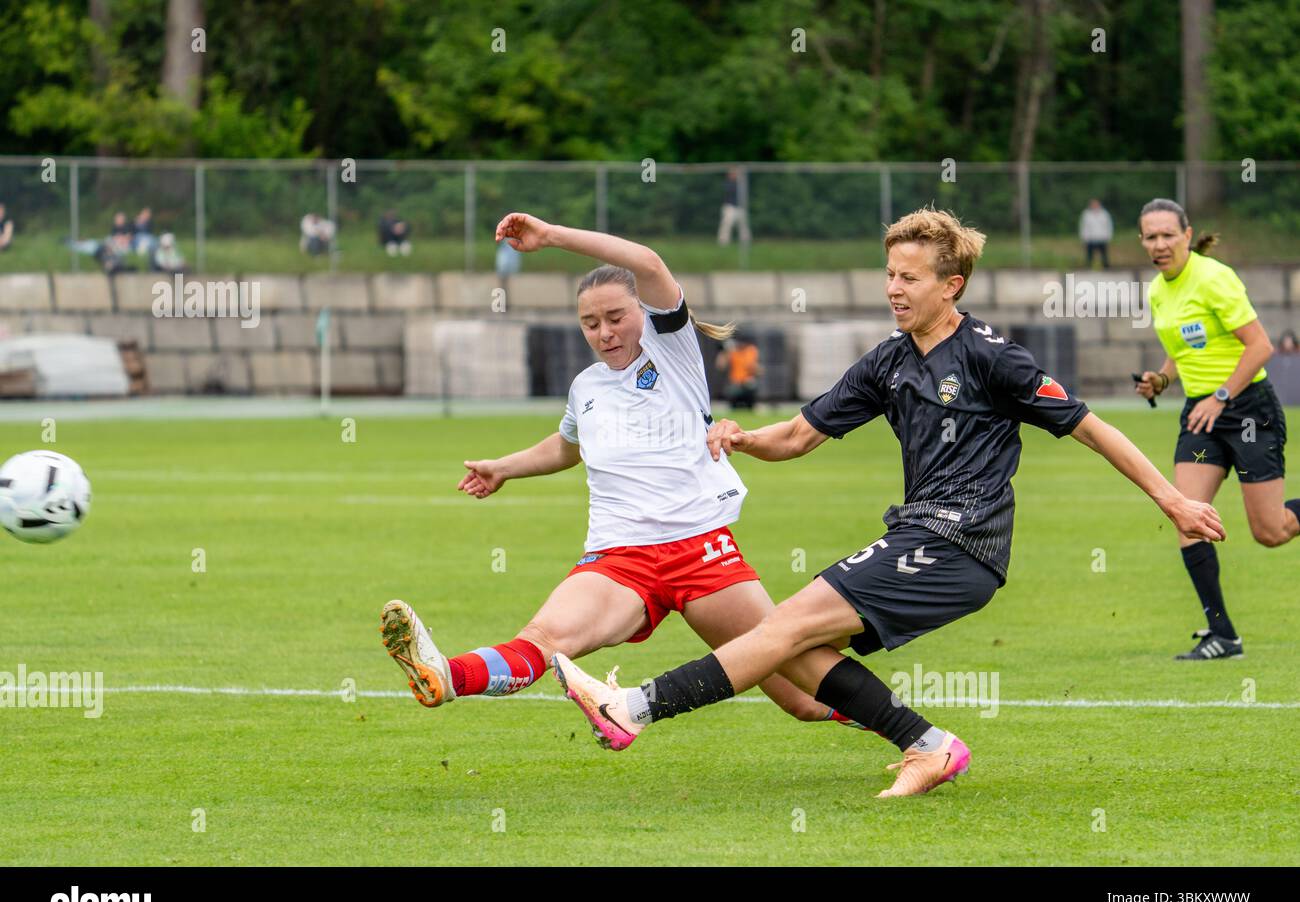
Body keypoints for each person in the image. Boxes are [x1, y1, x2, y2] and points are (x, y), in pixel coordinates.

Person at [553, 207, 1224, 798]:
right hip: (920, 537)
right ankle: (928, 745)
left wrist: (1173, 501)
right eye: (890, 274)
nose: (893, 289)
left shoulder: (995, 357)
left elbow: (1091, 427)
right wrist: (741, 437)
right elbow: (796, 437)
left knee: (782, 628)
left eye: (909, 278)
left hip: (961, 542)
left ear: (949, 285)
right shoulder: (887, 362)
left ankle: (634, 706)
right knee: (793, 648)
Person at [377, 212, 866, 732]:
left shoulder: (671, 348)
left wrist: (552, 237)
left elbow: (648, 262)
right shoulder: (586, 387)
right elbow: (567, 447)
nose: (605, 333)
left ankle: (916, 738)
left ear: (643, 311)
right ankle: (449, 675)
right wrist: (504, 468)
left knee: (801, 696)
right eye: (591, 324)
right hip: (619, 559)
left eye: (616, 317)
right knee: (544, 640)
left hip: (699, 550)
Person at [1134, 198, 1299, 660]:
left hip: (1247, 410)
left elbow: (1261, 346)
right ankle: (1223, 634)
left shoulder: (1214, 278)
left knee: (1271, 531)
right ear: (1142, 242)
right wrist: (1161, 379)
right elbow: (1181, 354)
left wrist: (1221, 395)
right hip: (1201, 418)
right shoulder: (1157, 291)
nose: (1160, 244)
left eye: (1169, 234)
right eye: (1151, 236)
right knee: (1187, 516)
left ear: (1188, 235)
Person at [714, 336, 761, 410]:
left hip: (747, 383)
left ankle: (750, 407)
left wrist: (752, 371)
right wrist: (724, 352)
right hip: (735, 383)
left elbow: (759, 370)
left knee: (752, 385)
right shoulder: (732, 351)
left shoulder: (751, 350)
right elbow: (720, 366)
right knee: (733, 391)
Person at [716, 167, 751, 246]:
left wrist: (740, 180)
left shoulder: (740, 184)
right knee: (726, 226)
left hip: (740, 207)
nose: (735, 175)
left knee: (743, 226)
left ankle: (745, 242)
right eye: (734, 174)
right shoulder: (728, 183)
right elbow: (729, 191)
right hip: (730, 207)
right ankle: (723, 242)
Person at [1079, 198, 1113, 269]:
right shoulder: (1086, 214)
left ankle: (1106, 267)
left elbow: (1109, 226)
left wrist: (1109, 237)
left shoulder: (1104, 214)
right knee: (1089, 255)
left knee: (1104, 254)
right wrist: (1084, 238)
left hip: (1102, 237)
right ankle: (1089, 267)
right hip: (1090, 238)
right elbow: (1083, 227)